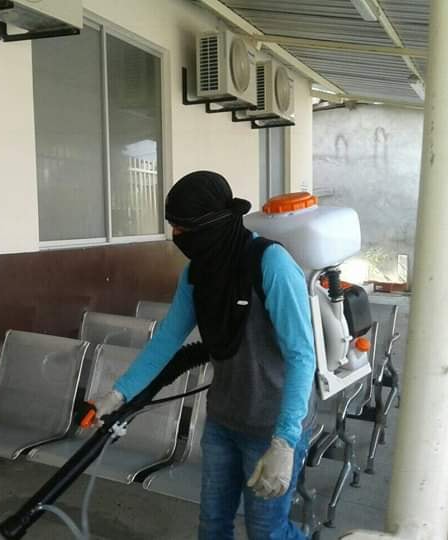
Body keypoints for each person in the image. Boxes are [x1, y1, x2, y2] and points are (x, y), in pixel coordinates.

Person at [92, 171, 316, 540]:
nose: (176, 236)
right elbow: (166, 341)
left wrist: (285, 441)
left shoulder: (271, 264)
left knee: (267, 532)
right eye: (173, 226)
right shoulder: (197, 274)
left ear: (213, 224)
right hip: (223, 421)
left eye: (184, 228)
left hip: (272, 426)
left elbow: (301, 355)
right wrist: (119, 393)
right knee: (211, 525)